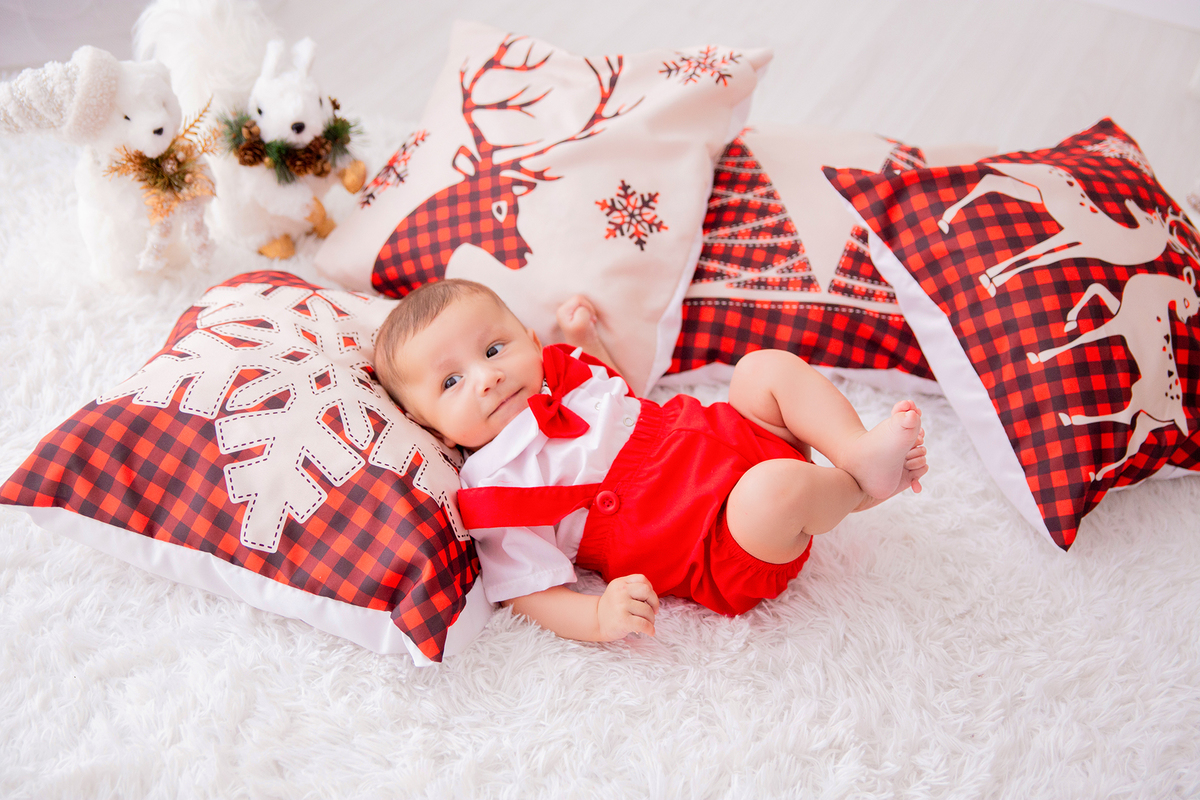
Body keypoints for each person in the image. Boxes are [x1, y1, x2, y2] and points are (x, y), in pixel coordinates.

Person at [373, 279, 927, 643]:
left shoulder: (565, 371)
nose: (487, 376)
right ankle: (858, 490)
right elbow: (527, 591)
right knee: (775, 490)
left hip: (735, 435)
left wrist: (583, 337)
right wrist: (596, 617)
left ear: (531, 339)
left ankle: (856, 450)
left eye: (494, 349)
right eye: (452, 382)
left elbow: (624, 396)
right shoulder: (496, 487)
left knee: (763, 368)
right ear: (426, 424)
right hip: (722, 538)